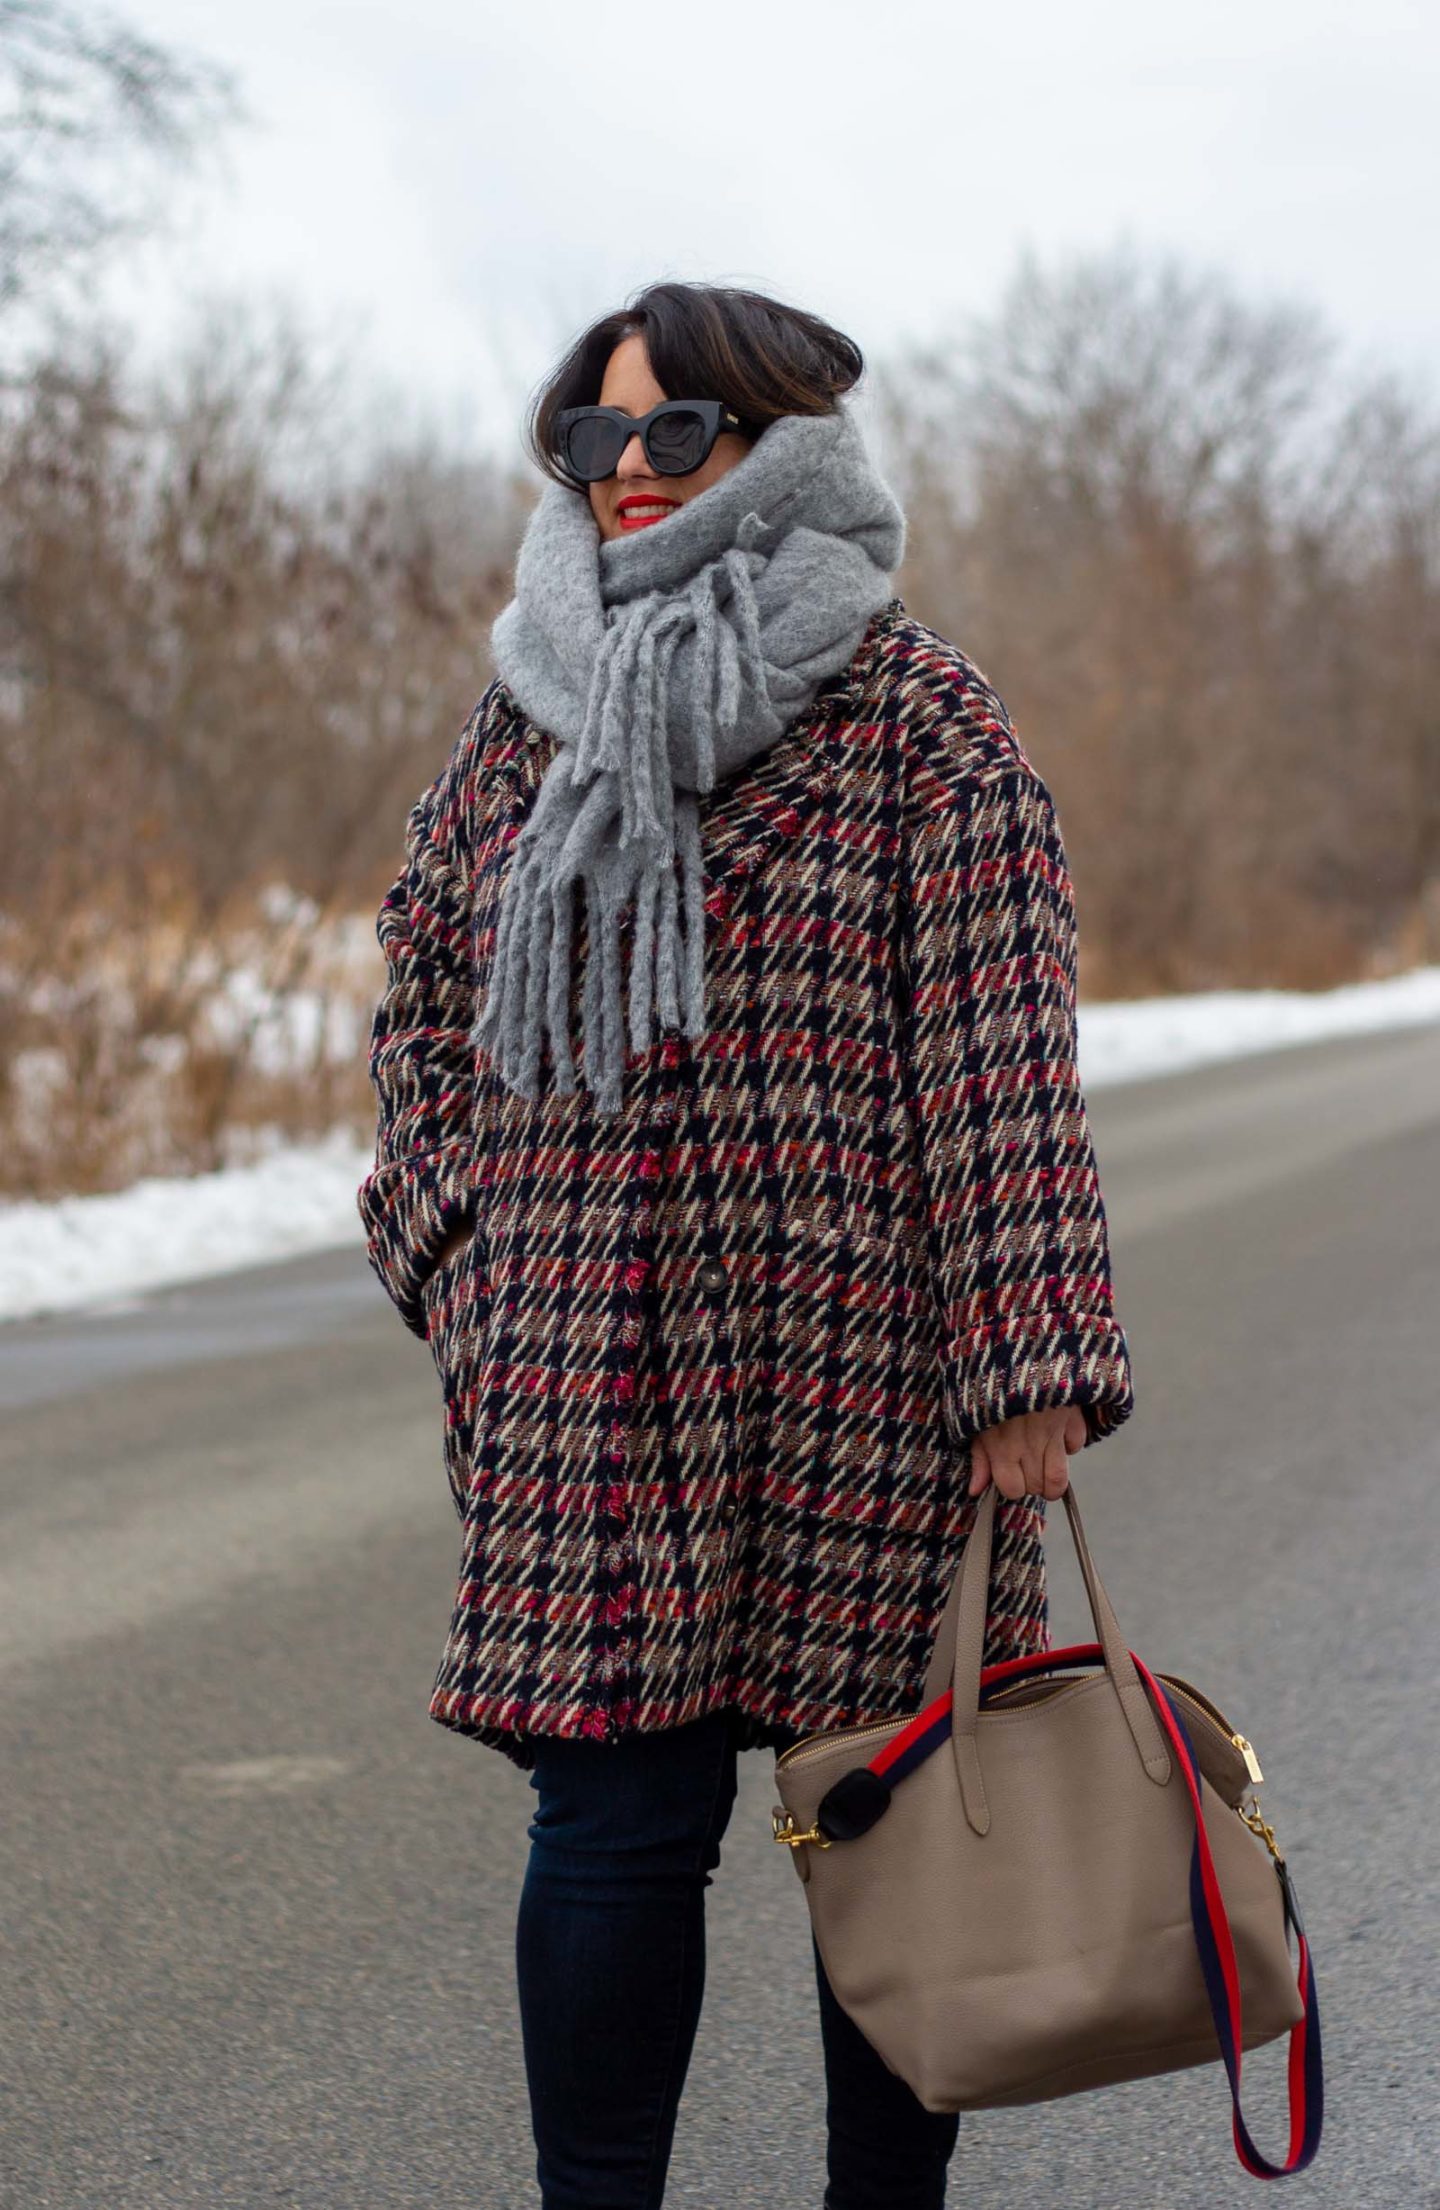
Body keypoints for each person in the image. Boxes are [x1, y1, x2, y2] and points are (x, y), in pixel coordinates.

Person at [357, 279, 1135, 2210]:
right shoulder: (525, 709)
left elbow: (994, 1050)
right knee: (610, 1822)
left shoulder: (916, 718)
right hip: (588, 1368)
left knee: (877, 1821)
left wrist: (1024, 1363)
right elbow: (424, 1007)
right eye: (595, 441)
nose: (627, 476)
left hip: (857, 1358)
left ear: (775, 441)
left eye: (671, 435)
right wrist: (467, 1275)